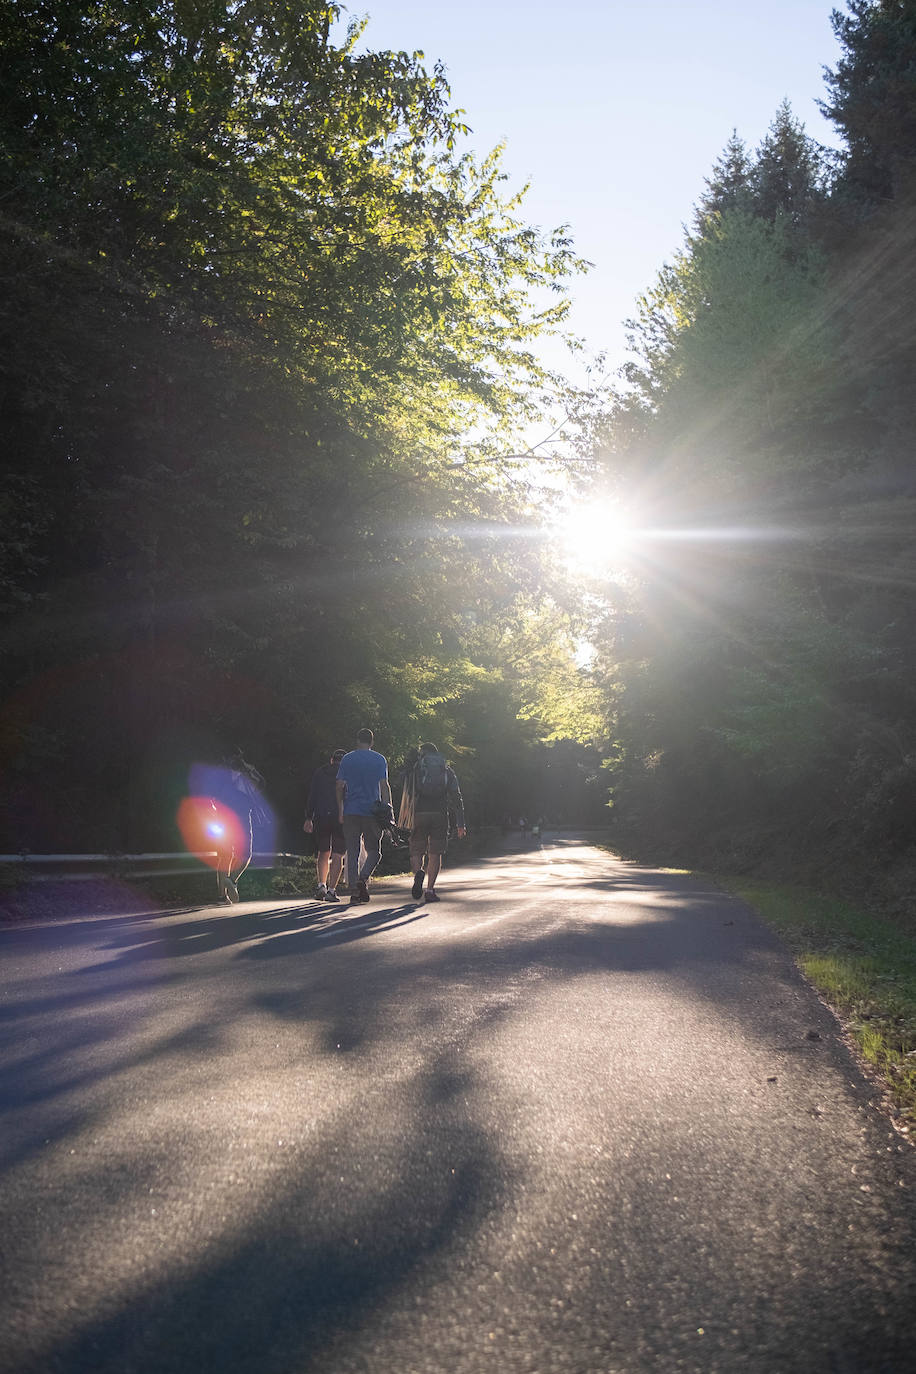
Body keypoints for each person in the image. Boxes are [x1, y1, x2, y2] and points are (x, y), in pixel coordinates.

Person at [402, 742, 466, 902]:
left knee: (416, 849)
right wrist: (460, 823)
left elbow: (406, 788)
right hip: (440, 814)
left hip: (419, 813)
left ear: (423, 753)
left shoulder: (417, 768)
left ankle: (418, 874)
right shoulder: (446, 770)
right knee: (435, 853)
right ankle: (430, 890)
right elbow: (456, 796)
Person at [335, 728, 392, 905]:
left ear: (357, 740)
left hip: (351, 811)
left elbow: (339, 785)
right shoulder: (379, 759)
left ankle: (354, 891)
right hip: (372, 813)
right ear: (372, 742)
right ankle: (363, 878)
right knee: (374, 852)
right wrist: (389, 811)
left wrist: (340, 808)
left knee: (352, 852)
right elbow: (384, 786)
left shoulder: (347, 759)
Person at [303, 748, 347, 902]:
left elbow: (312, 795)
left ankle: (321, 885)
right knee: (338, 854)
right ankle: (332, 890)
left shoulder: (320, 773)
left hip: (321, 817)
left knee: (323, 852)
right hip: (341, 817)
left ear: (331, 759)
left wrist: (309, 817)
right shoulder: (346, 773)